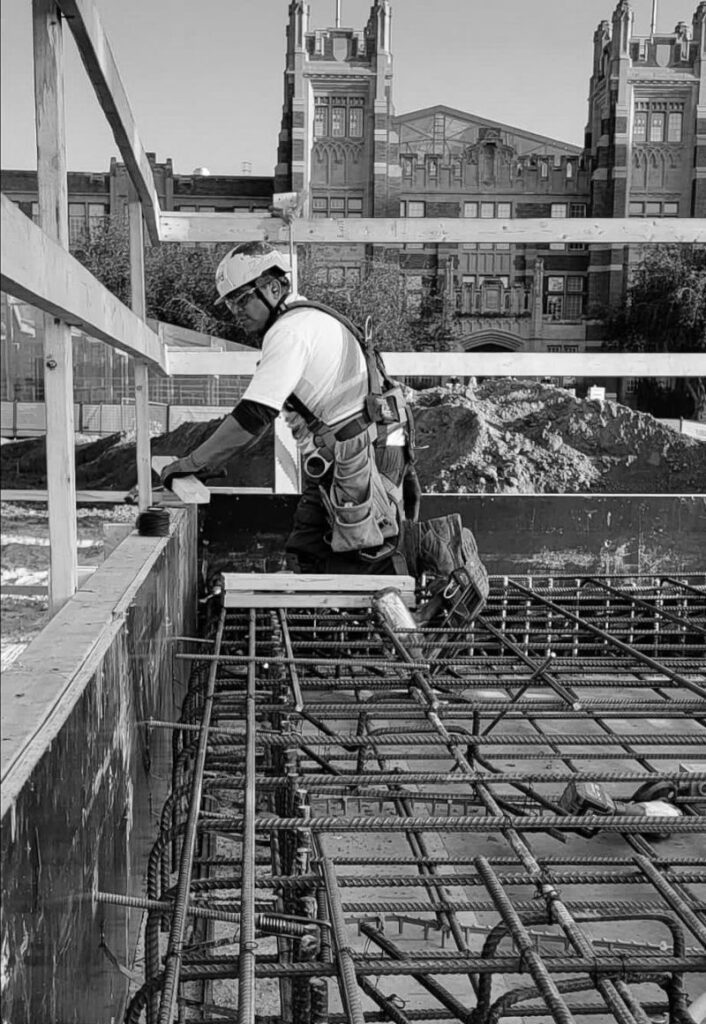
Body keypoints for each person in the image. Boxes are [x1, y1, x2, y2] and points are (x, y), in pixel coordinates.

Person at [160, 241, 421, 574]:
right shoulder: (310, 318)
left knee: (363, 558)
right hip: (376, 441)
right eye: (230, 306)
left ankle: (414, 601)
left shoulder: (290, 332)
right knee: (312, 548)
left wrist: (194, 462)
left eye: (242, 300)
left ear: (272, 287)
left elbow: (253, 416)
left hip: (360, 451)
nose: (237, 312)